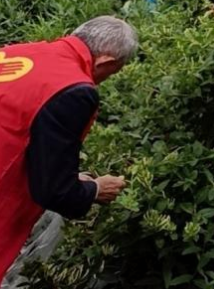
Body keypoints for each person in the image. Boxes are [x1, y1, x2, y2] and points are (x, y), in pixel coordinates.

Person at [0, 16, 137, 281]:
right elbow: (53, 191)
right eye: (114, 71)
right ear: (107, 62)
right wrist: (94, 190)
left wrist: (69, 177)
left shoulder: (17, 52)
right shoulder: (72, 90)